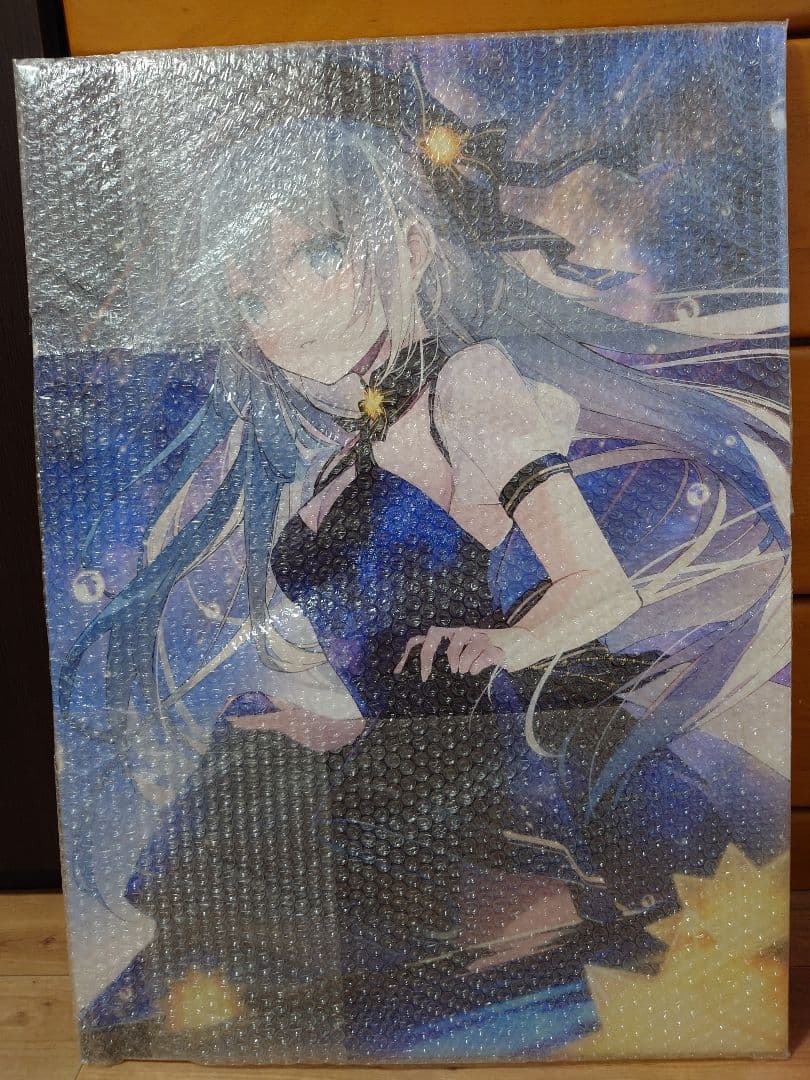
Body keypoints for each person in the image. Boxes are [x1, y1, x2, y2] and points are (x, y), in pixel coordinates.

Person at [65, 61, 789, 1062]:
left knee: (284, 834)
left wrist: (503, 645)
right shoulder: (330, 465)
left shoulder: (469, 386)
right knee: (253, 765)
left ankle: (510, 926)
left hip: (490, 765)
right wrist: (336, 724)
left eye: (321, 252)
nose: (288, 305)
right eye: (252, 291)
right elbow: (387, 659)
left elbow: (601, 586)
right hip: (405, 762)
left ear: (409, 248)